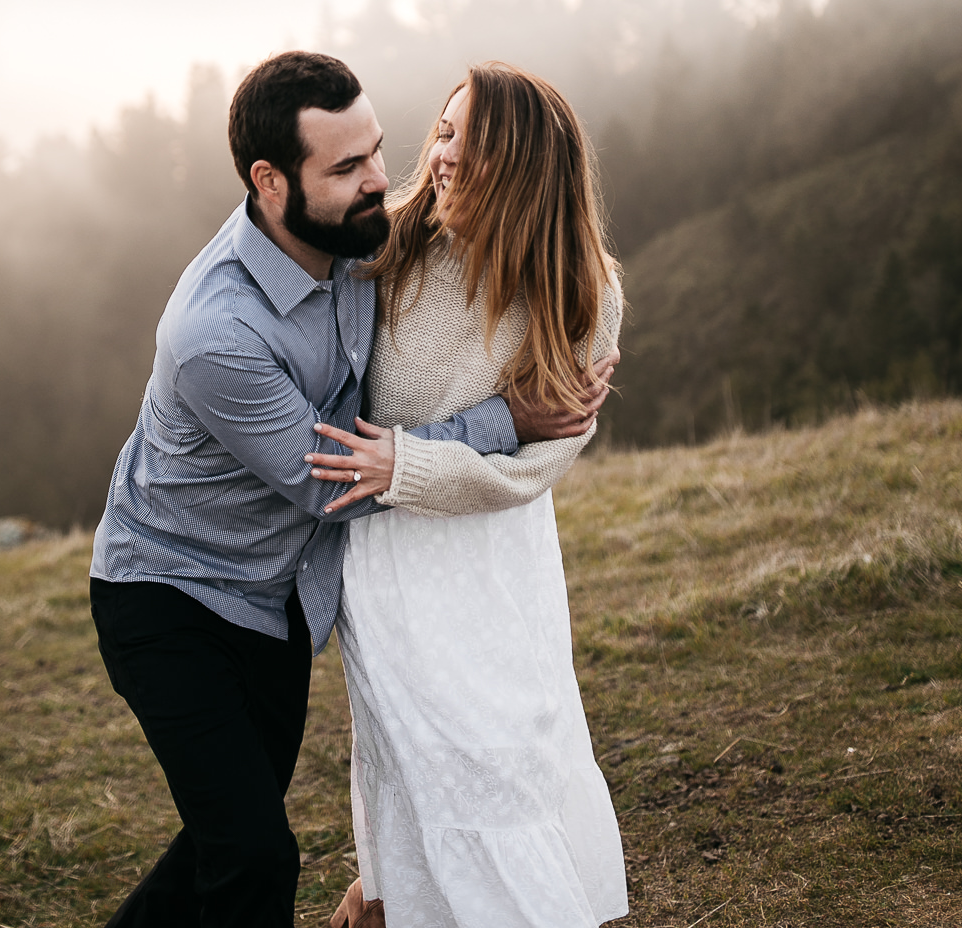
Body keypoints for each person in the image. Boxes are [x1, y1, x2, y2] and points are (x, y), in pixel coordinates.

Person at [88, 51, 614, 928]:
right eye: (348, 168)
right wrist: (509, 418)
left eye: (377, 150)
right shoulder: (216, 330)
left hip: (284, 601)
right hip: (173, 596)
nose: (384, 180)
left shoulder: (360, 238)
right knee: (255, 855)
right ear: (271, 180)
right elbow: (335, 479)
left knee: (223, 845)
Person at [309, 64, 628, 928]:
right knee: (422, 760)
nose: (438, 155)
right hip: (390, 561)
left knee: (511, 760)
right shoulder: (394, 245)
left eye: (463, 139)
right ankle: (390, 903)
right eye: (441, 133)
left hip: (499, 559)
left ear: (518, 161)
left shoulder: (582, 289)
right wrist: (393, 475)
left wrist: (406, 466)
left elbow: (536, 465)